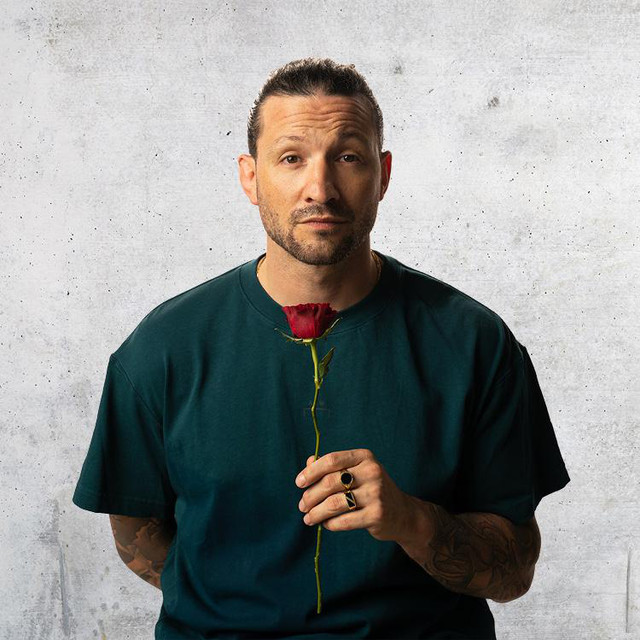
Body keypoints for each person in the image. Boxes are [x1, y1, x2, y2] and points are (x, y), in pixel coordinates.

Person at [72, 57, 571, 639]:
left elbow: (513, 570)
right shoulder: (161, 349)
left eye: (348, 157)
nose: (321, 189)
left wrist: (412, 520)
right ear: (250, 177)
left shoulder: (474, 343)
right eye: (291, 158)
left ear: (383, 175)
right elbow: (136, 533)